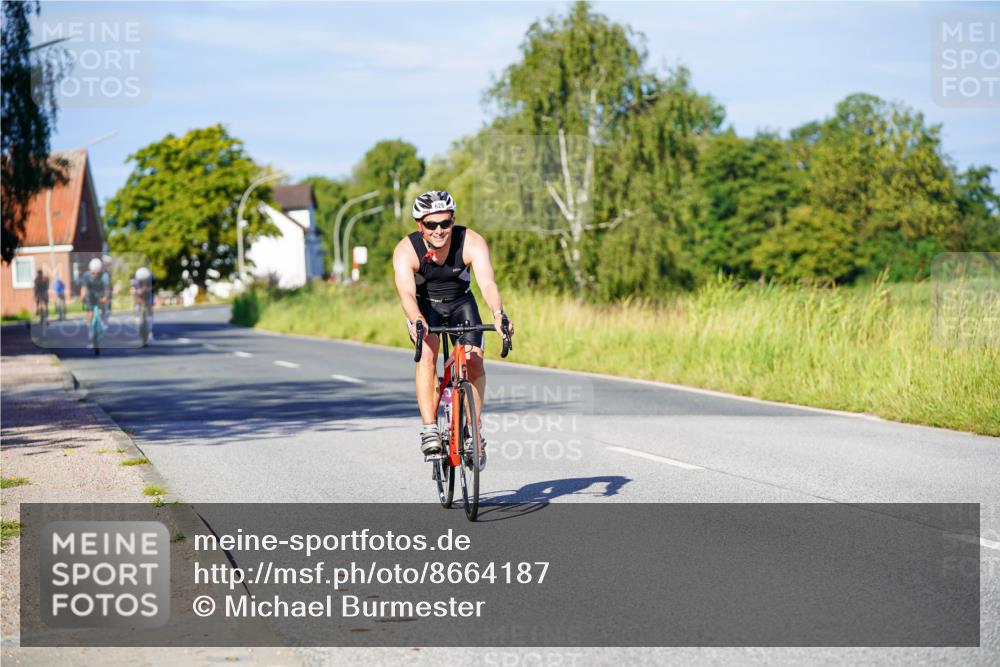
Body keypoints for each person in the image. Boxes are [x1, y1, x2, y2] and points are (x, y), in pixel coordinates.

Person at [392, 190, 514, 462]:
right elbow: (407, 295)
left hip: (461, 304)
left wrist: (498, 313)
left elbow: (487, 283)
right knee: (426, 355)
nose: (439, 230)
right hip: (425, 308)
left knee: (474, 362)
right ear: (420, 225)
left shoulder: (471, 241)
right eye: (431, 224)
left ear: (453, 221)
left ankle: (473, 430)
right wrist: (417, 320)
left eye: (445, 223)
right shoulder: (406, 250)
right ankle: (429, 429)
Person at [81, 257, 110, 349]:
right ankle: (91, 333)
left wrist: (105, 297)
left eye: (97, 273)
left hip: (101, 296)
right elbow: (84, 287)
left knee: (103, 309)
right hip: (90, 296)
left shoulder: (104, 276)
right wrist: (82, 296)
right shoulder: (86, 275)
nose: (95, 275)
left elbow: (106, 288)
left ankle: (103, 321)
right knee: (90, 314)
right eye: (93, 273)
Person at [132, 266, 155, 340]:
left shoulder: (151, 278)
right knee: (137, 307)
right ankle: (138, 320)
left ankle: (150, 331)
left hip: (148, 294)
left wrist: (146, 290)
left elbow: (153, 288)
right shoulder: (135, 280)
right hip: (139, 294)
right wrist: (137, 298)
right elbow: (134, 291)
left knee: (149, 310)